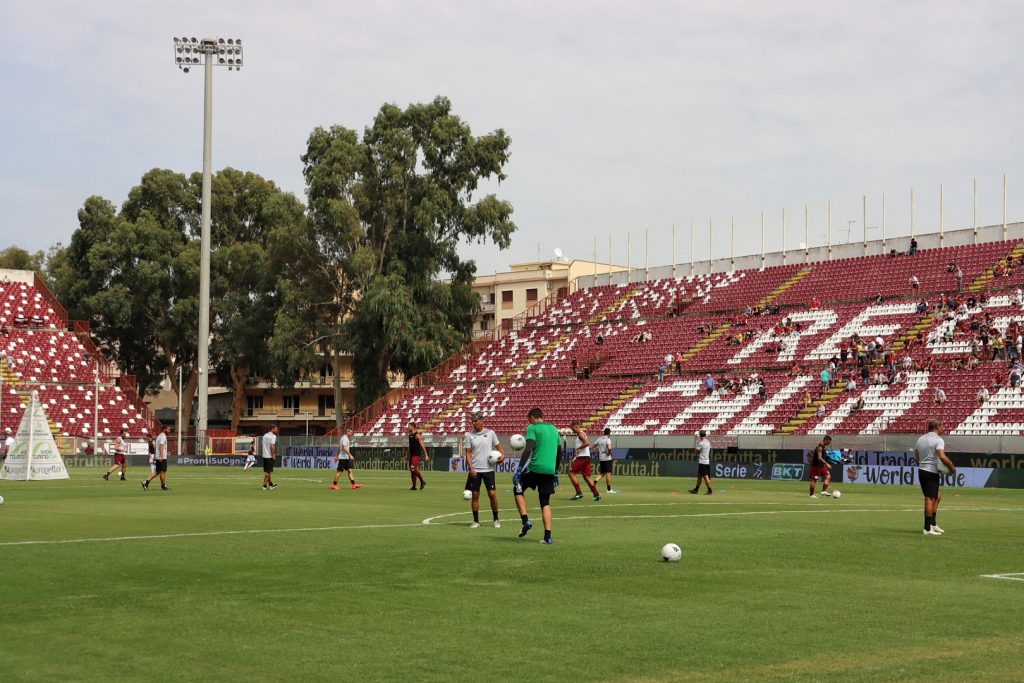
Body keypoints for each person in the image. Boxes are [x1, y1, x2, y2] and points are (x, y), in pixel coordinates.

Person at [512, 407, 561, 544]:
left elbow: (528, 449)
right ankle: (548, 537)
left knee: (517, 487)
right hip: (549, 470)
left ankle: (525, 520)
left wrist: (519, 470)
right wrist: (555, 471)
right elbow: (560, 452)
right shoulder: (554, 429)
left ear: (532, 417)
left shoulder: (532, 428)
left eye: (529, 420)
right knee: (545, 502)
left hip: (535, 468)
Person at [463, 412, 504, 528]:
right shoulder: (469, 435)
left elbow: (498, 447)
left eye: (475, 421)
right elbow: (468, 453)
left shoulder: (491, 433)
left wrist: (503, 456)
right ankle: (476, 521)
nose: (473, 423)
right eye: (472, 421)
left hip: (488, 469)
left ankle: (496, 519)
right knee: (475, 495)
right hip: (475, 470)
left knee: (492, 494)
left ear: (482, 420)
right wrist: (471, 468)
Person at [915, 420, 956, 535]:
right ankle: (927, 528)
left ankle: (932, 524)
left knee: (937, 495)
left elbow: (916, 458)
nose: (943, 428)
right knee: (929, 498)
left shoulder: (920, 439)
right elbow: (942, 456)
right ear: (938, 427)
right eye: (942, 426)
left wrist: (924, 463)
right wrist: (952, 468)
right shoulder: (938, 440)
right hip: (931, 472)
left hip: (922, 470)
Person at [567, 420, 601, 501]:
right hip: (587, 457)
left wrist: (578, 449)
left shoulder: (580, 434)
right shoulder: (582, 433)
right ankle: (596, 494)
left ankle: (579, 492)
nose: (572, 430)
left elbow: (587, 443)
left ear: (576, 427)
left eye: (572, 428)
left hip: (582, 457)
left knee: (571, 473)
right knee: (586, 476)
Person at [142, 425, 171, 491]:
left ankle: (146, 482)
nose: (169, 430)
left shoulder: (159, 436)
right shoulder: (163, 437)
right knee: (163, 472)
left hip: (158, 456)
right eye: (168, 429)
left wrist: (157, 456)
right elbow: (161, 446)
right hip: (162, 457)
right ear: (164, 429)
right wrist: (161, 456)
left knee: (158, 472)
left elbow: (157, 447)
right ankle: (163, 486)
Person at [592, 427, 616, 494]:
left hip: (601, 458)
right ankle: (609, 489)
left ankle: (593, 483)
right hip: (607, 458)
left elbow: (593, 447)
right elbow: (609, 448)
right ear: (609, 433)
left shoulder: (599, 439)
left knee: (603, 473)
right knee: (608, 473)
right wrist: (608, 453)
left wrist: (597, 452)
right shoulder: (608, 439)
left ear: (604, 432)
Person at [689, 430, 713, 495]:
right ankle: (696, 489)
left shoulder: (701, 443)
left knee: (705, 477)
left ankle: (710, 490)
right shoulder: (708, 442)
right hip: (707, 461)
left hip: (702, 462)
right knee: (699, 476)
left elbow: (696, 451)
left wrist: (695, 452)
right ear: (705, 435)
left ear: (700, 436)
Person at [407, 422, 429, 490]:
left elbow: (422, 445)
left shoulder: (417, 435)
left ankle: (422, 481)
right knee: (412, 470)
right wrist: (406, 455)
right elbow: (410, 446)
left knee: (413, 468)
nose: (408, 427)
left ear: (413, 427)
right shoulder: (410, 435)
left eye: (409, 426)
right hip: (411, 454)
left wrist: (426, 455)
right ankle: (414, 486)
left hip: (416, 454)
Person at [260, 425, 279, 491]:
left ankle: (271, 484)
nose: (277, 430)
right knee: (267, 473)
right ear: (272, 429)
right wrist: (273, 455)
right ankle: (264, 486)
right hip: (269, 456)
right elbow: (272, 446)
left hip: (264, 455)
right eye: (276, 429)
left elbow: (262, 445)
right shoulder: (273, 436)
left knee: (268, 471)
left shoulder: (265, 435)